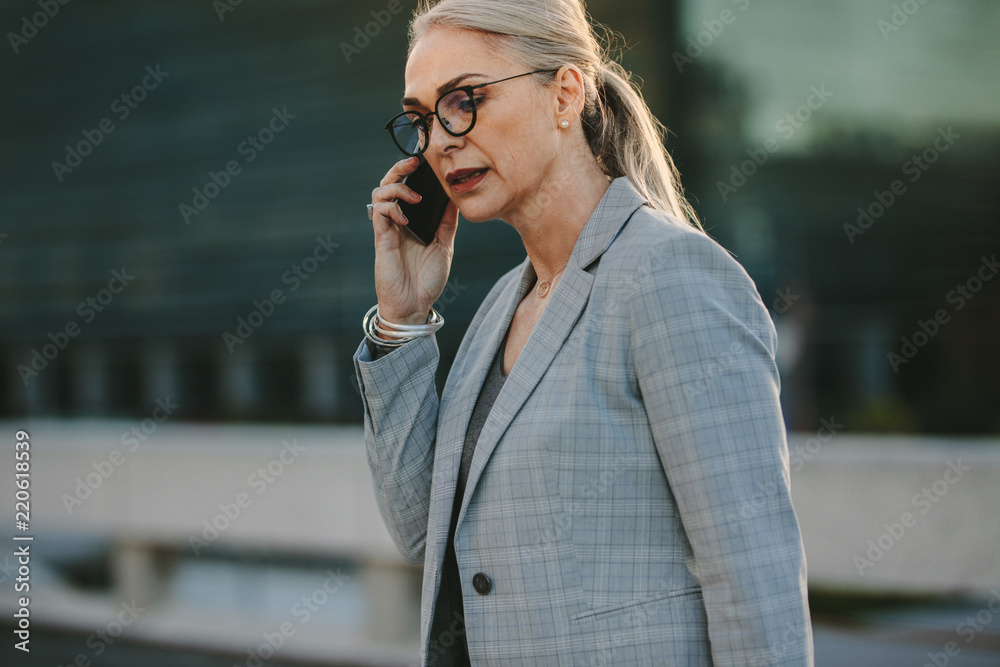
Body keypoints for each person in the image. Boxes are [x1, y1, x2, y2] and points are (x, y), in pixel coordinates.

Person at [352, 0, 813, 664]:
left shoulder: (669, 276)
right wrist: (402, 319)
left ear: (565, 92)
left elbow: (753, 582)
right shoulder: (495, 316)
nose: (438, 141)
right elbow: (425, 537)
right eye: (421, 119)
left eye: (463, 100)